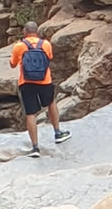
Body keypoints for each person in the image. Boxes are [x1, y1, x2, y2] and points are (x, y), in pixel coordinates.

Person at [9, 19, 70, 159]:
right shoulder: (46, 44)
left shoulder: (19, 46)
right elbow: (49, 58)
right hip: (44, 80)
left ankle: (35, 147)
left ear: (24, 32)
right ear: (37, 32)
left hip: (26, 82)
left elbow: (12, 64)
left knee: (31, 113)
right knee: (51, 103)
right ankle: (58, 133)